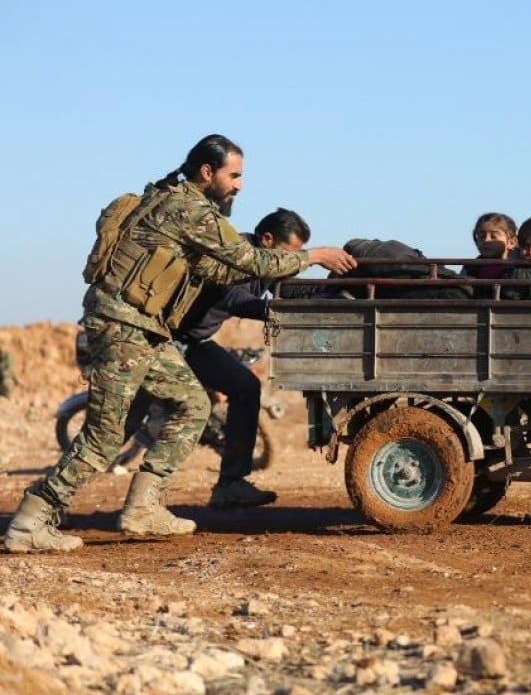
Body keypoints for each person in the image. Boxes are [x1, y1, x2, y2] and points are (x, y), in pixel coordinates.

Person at [4, 134, 356, 553]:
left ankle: (143, 507)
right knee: (104, 438)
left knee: (193, 404)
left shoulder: (178, 203)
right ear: (207, 172)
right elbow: (249, 263)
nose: (239, 185)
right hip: (123, 328)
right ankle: (31, 520)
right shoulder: (188, 209)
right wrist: (313, 257)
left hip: (143, 331)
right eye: (234, 175)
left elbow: (224, 272)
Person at [174, 208, 311, 510]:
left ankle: (230, 485)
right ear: (267, 240)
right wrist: (277, 313)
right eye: (288, 255)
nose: (291, 265)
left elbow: (289, 292)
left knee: (245, 387)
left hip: (195, 344)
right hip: (166, 344)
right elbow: (234, 300)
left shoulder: (268, 267)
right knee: (122, 425)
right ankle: (51, 501)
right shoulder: (236, 253)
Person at [463, 212, 531, 300]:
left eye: (494, 236)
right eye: (482, 236)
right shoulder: (471, 268)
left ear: (511, 242)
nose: (486, 240)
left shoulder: (519, 269)